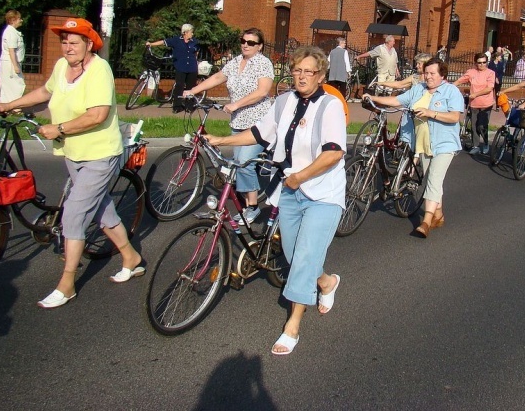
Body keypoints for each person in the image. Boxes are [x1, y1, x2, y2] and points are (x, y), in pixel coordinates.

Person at [205, 46, 346, 355]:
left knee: (305, 254)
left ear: (320, 75)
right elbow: (259, 133)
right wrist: (222, 140)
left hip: (323, 193)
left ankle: (292, 324)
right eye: (297, 70)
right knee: (295, 254)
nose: (302, 76)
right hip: (291, 190)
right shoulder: (283, 102)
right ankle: (325, 282)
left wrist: (301, 175)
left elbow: (334, 152)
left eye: (309, 71)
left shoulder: (330, 106)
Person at [0, 18, 144, 308]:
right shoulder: (63, 66)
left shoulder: (100, 70)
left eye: (74, 41)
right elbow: (45, 93)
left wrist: (59, 128)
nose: (67, 46)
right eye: (64, 41)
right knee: (101, 208)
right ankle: (131, 257)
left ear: (89, 44)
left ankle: (67, 283)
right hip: (73, 152)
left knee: (74, 214)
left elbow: (97, 115)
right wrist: (10, 104)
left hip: (100, 153)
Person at [184, 27, 274, 225]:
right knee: (240, 162)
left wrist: (236, 104)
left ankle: (252, 208)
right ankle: (247, 188)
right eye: (243, 40)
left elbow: (262, 91)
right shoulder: (235, 62)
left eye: (251, 42)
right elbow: (218, 77)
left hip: (258, 122)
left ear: (259, 46)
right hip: (238, 121)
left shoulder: (263, 63)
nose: (245, 45)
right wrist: (193, 90)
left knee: (243, 163)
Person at [365, 58, 463, 238]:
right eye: (427, 73)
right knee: (434, 181)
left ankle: (425, 222)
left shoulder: (451, 91)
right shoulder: (418, 89)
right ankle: (438, 215)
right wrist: (374, 98)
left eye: (433, 73)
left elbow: (455, 117)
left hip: (444, 143)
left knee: (433, 178)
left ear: (442, 75)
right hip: (422, 142)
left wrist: (430, 113)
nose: (429, 76)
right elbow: (396, 100)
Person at [146, 23, 198, 112]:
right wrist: (151, 44)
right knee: (179, 86)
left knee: (190, 88)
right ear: (185, 32)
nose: (192, 34)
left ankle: (189, 106)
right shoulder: (176, 40)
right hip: (180, 67)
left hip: (192, 68)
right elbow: (163, 42)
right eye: (191, 32)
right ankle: (177, 106)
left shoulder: (195, 42)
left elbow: (196, 52)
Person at [454, 53, 495, 155]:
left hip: (486, 104)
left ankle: (485, 143)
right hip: (474, 104)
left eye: (484, 62)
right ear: (476, 63)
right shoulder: (471, 72)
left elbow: (489, 88)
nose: (482, 65)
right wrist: (451, 86)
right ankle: (475, 145)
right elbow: (460, 80)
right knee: (473, 126)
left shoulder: (490, 73)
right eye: (479, 63)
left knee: (481, 126)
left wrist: (476, 94)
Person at [0, 10, 26, 104]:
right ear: (13, 20)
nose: (21, 20)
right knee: (16, 85)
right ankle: (13, 107)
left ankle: (6, 107)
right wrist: (15, 66)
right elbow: (11, 50)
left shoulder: (12, 32)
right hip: (11, 63)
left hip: (12, 62)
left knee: (11, 85)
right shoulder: (10, 33)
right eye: (19, 18)